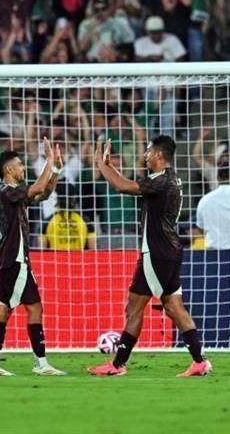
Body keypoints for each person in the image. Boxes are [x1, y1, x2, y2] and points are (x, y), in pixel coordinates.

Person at [88, 135, 211, 377]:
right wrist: (111, 167)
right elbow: (128, 182)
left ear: (158, 155)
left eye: (147, 151)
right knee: (175, 307)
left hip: (157, 253)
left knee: (134, 307)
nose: (144, 155)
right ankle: (200, 362)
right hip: (168, 251)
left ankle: (117, 364)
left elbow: (123, 187)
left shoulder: (162, 180)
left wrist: (101, 165)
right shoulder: (169, 178)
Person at [0, 137, 67, 377]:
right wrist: (48, 161)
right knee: (17, 309)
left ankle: (31, 363)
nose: (23, 168)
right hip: (13, 259)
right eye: (20, 165)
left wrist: (56, 170)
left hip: (15, 260)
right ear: (9, 169)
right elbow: (38, 187)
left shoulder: (14, 193)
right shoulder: (6, 191)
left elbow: (44, 192)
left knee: (23, 309)